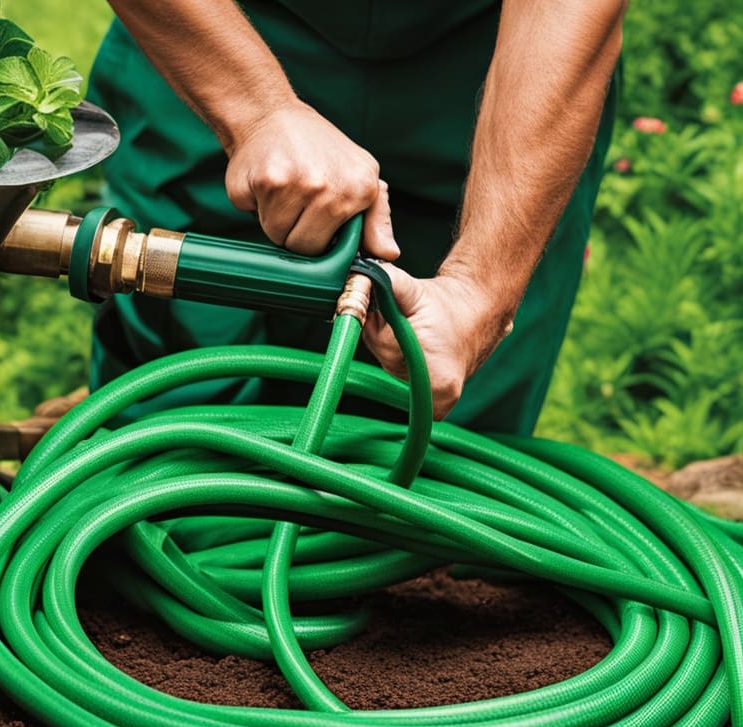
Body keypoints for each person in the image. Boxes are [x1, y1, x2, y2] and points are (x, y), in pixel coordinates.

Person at [85, 0, 625, 435]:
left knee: (455, 463)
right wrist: (258, 109)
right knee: (171, 419)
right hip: (212, 32)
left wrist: (481, 289)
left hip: (499, 67)